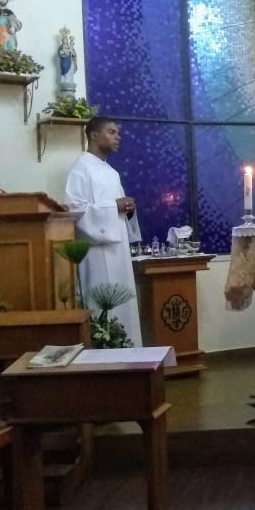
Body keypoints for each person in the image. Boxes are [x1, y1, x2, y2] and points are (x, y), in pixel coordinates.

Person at [65, 115, 143, 346]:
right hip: (97, 255)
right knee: (103, 308)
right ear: (93, 135)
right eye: (111, 132)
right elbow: (74, 211)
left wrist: (128, 209)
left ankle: (128, 354)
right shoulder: (80, 169)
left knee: (123, 306)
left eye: (118, 133)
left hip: (118, 253)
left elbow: (118, 210)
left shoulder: (111, 172)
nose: (118, 137)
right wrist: (114, 207)